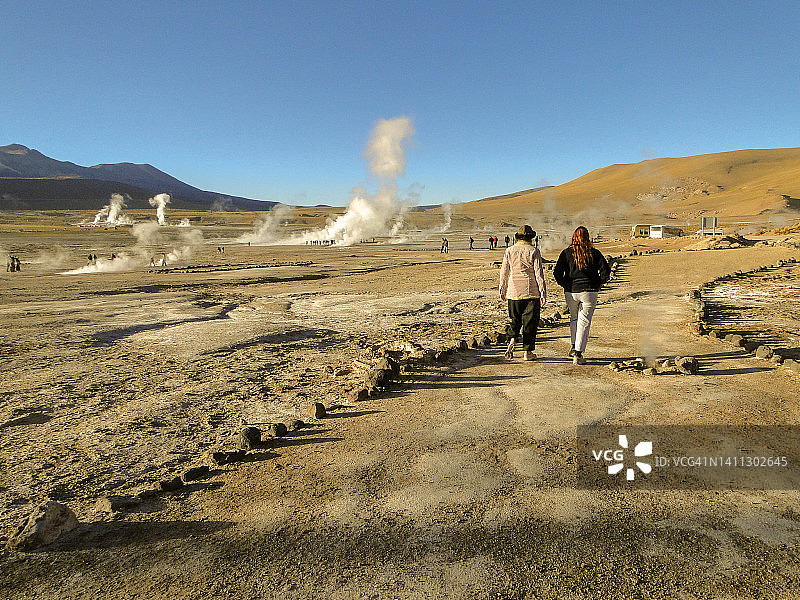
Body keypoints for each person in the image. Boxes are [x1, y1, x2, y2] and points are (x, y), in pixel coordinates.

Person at [553, 226, 611, 365]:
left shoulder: (566, 253)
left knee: (574, 318)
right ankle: (578, 353)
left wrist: (565, 284)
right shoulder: (594, 253)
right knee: (584, 320)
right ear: (588, 238)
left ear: (573, 238)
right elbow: (605, 272)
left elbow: (557, 273)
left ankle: (574, 346)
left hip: (571, 291)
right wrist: (597, 284)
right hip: (589, 291)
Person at [499, 225, 546, 361]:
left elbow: (504, 271)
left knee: (515, 319)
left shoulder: (509, 250)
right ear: (530, 237)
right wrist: (543, 292)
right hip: (531, 291)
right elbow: (539, 274)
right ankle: (527, 352)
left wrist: (502, 289)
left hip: (513, 291)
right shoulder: (534, 250)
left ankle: (512, 339)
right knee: (530, 323)